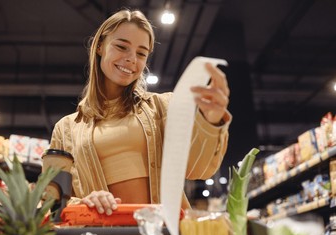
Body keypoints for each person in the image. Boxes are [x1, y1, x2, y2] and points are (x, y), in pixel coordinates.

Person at [46, 9, 232, 216]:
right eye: (121, 46)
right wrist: (83, 203)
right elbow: (53, 203)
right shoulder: (65, 129)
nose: (131, 58)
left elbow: (200, 169)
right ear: (99, 46)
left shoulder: (164, 107)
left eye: (141, 53)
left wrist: (211, 121)